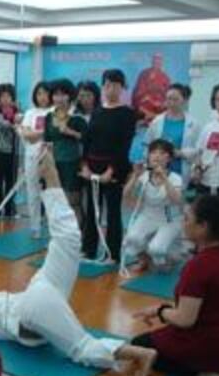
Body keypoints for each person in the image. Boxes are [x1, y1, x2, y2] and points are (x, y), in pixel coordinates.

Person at [0, 149, 157, 376]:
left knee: (81, 347)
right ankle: (52, 179)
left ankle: (140, 354)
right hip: (40, 291)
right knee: (67, 238)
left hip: (32, 309)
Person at [131, 194, 219, 376]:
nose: (183, 223)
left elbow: (185, 320)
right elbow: (209, 305)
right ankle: (218, 365)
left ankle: (202, 373)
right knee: (164, 334)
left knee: (138, 344)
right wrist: (159, 310)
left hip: (210, 347)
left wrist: (160, 311)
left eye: (187, 219)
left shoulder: (200, 265)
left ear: (203, 226)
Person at [80, 69, 136, 263]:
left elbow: (123, 145)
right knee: (92, 210)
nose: (110, 88)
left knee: (112, 213)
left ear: (122, 87)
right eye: (107, 85)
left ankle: (113, 254)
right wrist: (85, 166)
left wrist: (111, 171)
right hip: (92, 168)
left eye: (114, 85)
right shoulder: (97, 111)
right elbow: (87, 141)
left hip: (114, 169)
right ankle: (88, 249)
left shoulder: (127, 114)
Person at [122, 140, 184, 272]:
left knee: (157, 249)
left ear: (169, 158)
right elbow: (125, 195)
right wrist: (135, 176)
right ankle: (144, 260)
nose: (157, 156)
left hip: (169, 219)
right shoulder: (143, 176)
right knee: (131, 239)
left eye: (162, 153)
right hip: (147, 215)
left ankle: (167, 259)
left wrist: (164, 178)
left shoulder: (175, 178)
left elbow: (177, 200)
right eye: (153, 152)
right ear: (148, 156)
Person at [42, 78, 87, 223]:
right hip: (54, 164)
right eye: (56, 94)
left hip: (72, 163)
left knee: (73, 201)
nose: (59, 98)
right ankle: (59, 231)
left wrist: (70, 132)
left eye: (63, 94)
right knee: (55, 200)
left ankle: (77, 232)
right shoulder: (49, 117)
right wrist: (45, 163)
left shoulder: (77, 117)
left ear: (70, 96)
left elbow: (87, 139)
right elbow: (46, 141)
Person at [145, 83, 200, 184]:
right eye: (168, 99)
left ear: (184, 100)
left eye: (175, 99)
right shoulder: (157, 121)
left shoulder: (194, 124)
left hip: (180, 170)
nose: (171, 103)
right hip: (158, 171)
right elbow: (148, 145)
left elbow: (198, 150)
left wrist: (180, 153)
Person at [19, 81, 53, 237]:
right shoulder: (30, 113)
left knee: (51, 192)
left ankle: (53, 226)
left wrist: (35, 134)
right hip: (31, 156)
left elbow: (53, 134)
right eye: (39, 93)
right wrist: (44, 132)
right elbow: (26, 135)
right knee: (33, 191)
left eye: (45, 93)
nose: (42, 97)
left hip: (50, 157)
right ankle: (35, 226)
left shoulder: (54, 111)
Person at [0, 83, 20, 217]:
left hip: (14, 153)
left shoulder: (18, 112)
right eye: (2, 96)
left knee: (11, 183)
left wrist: (17, 118)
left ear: (12, 97)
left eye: (8, 96)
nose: (5, 99)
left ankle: (10, 210)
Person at [132, 53, 171, 124]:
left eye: (159, 59)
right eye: (155, 59)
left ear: (162, 62)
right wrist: (148, 97)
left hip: (159, 106)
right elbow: (138, 92)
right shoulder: (144, 74)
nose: (157, 61)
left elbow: (167, 94)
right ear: (152, 61)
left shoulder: (165, 78)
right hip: (145, 103)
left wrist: (160, 102)